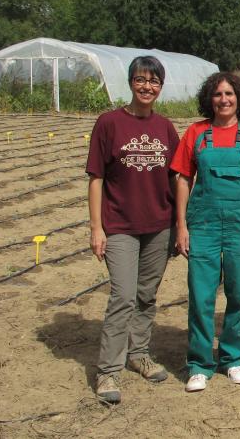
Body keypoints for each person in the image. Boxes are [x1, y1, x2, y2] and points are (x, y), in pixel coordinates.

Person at [171, 72, 240, 392]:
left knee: (239, 294)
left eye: (229, 93)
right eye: (217, 94)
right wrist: (181, 225)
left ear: (238, 97)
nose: (224, 99)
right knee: (201, 296)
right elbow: (182, 180)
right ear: (209, 99)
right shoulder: (196, 133)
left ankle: (232, 359)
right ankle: (200, 364)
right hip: (202, 224)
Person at [87, 56, 180, 404]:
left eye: (154, 81)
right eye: (141, 80)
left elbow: (177, 177)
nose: (147, 87)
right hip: (120, 226)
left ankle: (138, 352)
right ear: (131, 83)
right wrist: (97, 228)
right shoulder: (109, 123)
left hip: (158, 225)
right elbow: (96, 178)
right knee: (122, 296)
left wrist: (178, 224)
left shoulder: (165, 128)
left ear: (160, 86)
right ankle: (108, 371)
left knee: (146, 294)